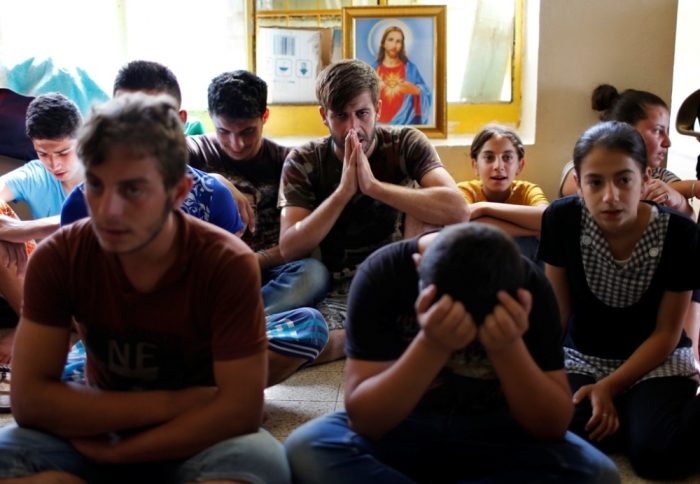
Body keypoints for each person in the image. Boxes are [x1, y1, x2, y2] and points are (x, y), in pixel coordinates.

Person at [0, 93, 291, 482]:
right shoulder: (60, 256)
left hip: (194, 433)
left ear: (178, 192)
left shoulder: (227, 263)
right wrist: (170, 402)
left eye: (133, 190)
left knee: (262, 463)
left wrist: (121, 455)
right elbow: (30, 401)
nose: (108, 210)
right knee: (9, 453)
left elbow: (239, 410)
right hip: (107, 422)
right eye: (97, 186)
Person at [285, 222, 620, 483]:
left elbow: (551, 426)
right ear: (419, 270)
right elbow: (366, 420)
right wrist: (431, 345)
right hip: (404, 426)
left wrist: (507, 347)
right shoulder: (383, 273)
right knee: (307, 448)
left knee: (598, 473)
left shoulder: (527, 285)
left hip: (499, 432)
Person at [61, 62, 327, 386]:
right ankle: (196, 387)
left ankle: (190, 380)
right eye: (124, 119)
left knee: (310, 323)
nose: (139, 135)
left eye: (154, 120)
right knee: (65, 377)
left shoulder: (214, 193)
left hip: (203, 329)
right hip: (123, 347)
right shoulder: (78, 211)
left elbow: (228, 288)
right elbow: (82, 312)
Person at [278, 59, 470, 361]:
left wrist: (374, 187)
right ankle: (378, 331)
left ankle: (395, 322)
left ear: (378, 110)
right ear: (323, 116)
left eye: (362, 113)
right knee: (313, 344)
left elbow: (459, 209)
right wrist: (343, 193)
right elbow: (289, 248)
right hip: (341, 287)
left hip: (403, 277)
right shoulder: (304, 160)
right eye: (340, 116)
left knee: (424, 203)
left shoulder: (406, 142)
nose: (353, 127)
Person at [540, 121, 700, 480]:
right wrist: (539, 375)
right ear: (578, 184)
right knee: (564, 432)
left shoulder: (681, 233)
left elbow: (667, 334)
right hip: (584, 358)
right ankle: (635, 414)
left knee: (656, 455)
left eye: (624, 180)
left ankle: (640, 412)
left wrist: (608, 388)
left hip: (657, 361)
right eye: (595, 182)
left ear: (645, 179)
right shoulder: (562, 219)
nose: (610, 196)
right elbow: (558, 312)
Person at [187, 70, 330, 317]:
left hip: (267, 273)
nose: (236, 144)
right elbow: (148, 162)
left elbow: (301, 245)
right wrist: (214, 179)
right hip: (209, 273)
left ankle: (237, 323)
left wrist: (256, 260)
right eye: (224, 132)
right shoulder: (196, 150)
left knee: (314, 273)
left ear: (265, 116)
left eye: (247, 132)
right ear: (211, 118)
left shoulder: (288, 163)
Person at [61, 61, 244, 237]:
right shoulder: (80, 206)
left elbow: (227, 266)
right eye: (124, 116)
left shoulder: (212, 198)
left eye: (154, 117)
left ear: (180, 121)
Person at [457, 124, 548, 262]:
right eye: (489, 158)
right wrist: (533, 231)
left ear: (520, 165)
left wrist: (483, 208)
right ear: (475, 166)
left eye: (507, 158)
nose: (498, 166)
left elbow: (547, 219)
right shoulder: (465, 190)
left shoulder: (528, 190)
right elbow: (464, 223)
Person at [372, 26, 431, 126]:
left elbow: (427, 93)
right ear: (384, 43)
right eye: (391, 40)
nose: (394, 45)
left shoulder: (411, 69)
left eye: (398, 41)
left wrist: (416, 91)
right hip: (377, 126)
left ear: (402, 45)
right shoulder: (373, 70)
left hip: (406, 125)